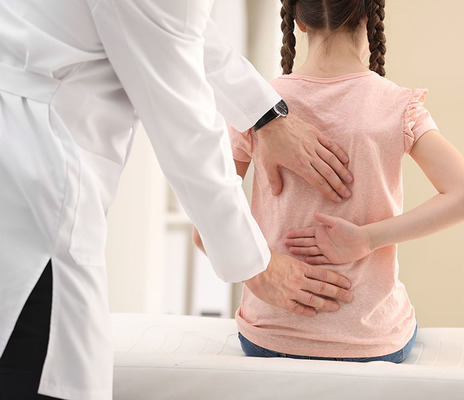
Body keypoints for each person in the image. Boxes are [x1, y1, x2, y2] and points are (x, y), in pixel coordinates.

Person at [0, 1, 356, 399]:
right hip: (29, 173)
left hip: (30, 147)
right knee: (46, 364)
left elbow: (183, 32)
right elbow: (186, 132)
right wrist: (256, 265)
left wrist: (266, 116)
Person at [194, 0, 464, 363]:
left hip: (267, 337)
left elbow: (203, 231)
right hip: (371, 343)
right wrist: (367, 239)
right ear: (369, 15)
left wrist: (262, 269)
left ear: (299, 21)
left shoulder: (255, 110)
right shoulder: (398, 105)